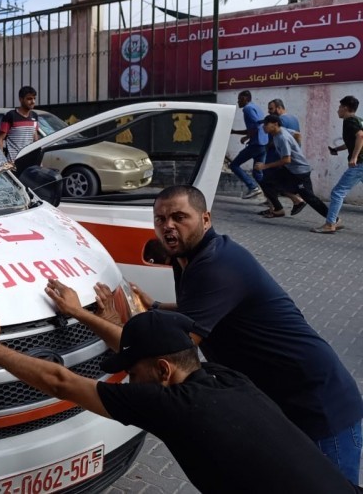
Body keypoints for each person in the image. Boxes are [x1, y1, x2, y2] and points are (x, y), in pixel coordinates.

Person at [0, 292, 361, 493]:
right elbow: (151, 354)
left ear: (163, 371)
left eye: (133, 374)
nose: (131, 383)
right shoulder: (225, 377)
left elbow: (61, 382)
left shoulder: (169, 405)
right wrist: (81, 313)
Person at [128, 185, 363, 482]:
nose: (168, 226)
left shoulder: (216, 263)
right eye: (160, 219)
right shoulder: (187, 258)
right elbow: (200, 308)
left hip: (319, 407)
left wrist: (107, 322)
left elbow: (178, 348)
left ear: (205, 219)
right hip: (279, 404)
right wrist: (157, 306)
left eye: (179, 216)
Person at [254, 114, 329, 219]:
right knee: (267, 182)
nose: (264, 126)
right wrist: (296, 149)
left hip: (300, 172)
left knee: (310, 198)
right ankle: (278, 209)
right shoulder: (281, 131)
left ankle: (333, 220)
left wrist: (265, 166)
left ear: (275, 124)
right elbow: (298, 135)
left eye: (266, 124)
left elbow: (286, 160)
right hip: (291, 169)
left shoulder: (282, 138)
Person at [315, 95, 362, 234]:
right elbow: (353, 141)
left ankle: (330, 224)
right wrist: (336, 149)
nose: (338, 110)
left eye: (339, 107)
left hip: (359, 164)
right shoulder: (359, 120)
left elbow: (360, 136)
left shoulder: (350, 121)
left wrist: (354, 157)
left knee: (337, 192)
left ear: (345, 108)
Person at [259, 98, 306, 216]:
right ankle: (286, 204)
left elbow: (278, 138)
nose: (269, 112)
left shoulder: (278, 121)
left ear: (279, 108)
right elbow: (298, 135)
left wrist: (267, 147)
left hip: (277, 156)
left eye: (271, 109)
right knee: (278, 183)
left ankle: (275, 208)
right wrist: (297, 150)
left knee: (268, 182)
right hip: (286, 157)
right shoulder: (293, 118)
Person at [229, 90, 267, 199]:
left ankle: (253, 187)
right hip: (263, 144)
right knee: (258, 174)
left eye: (239, 99)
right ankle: (272, 202)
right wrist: (235, 132)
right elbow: (256, 125)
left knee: (234, 165)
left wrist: (247, 137)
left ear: (245, 98)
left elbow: (255, 126)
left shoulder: (247, 109)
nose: (238, 102)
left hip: (256, 144)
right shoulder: (255, 107)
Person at [0, 86, 39, 161]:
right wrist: (2, 161)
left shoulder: (34, 116)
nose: (33, 101)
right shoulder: (11, 115)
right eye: (29, 99)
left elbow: (35, 139)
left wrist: (38, 160)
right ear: (21, 99)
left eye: (34, 98)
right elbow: (0, 139)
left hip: (29, 161)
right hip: (13, 162)